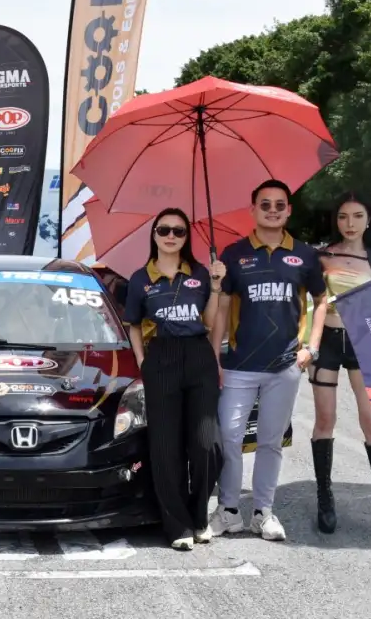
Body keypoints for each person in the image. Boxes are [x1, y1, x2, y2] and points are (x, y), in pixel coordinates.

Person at [208, 180, 328, 541]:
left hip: (284, 366)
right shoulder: (233, 255)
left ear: (289, 210)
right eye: (265, 204)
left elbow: (321, 301)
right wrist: (214, 357)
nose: (272, 210)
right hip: (238, 365)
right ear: (253, 210)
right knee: (228, 437)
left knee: (270, 441)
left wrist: (311, 349)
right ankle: (228, 510)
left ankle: (263, 512)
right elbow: (222, 309)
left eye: (279, 205)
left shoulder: (305, 255)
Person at [123, 208, 226, 551]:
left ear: (186, 237)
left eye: (178, 231)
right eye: (164, 230)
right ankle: (178, 524)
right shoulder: (140, 278)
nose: (171, 236)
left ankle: (199, 515)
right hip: (161, 357)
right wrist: (143, 361)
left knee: (208, 445)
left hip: (198, 355)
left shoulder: (200, 274)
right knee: (166, 448)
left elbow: (209, 321)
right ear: (154, 235)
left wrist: (215, 287)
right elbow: (133, 324)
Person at [309, 192, 371, 538]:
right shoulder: (323, 256)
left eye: (357, 216)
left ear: (368, 219)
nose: (350, 224)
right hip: (328, 344)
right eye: (343, 216)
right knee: (325, 419)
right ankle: (325, 498)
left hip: (365, 342)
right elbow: (308, 299)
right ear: (336, 220)